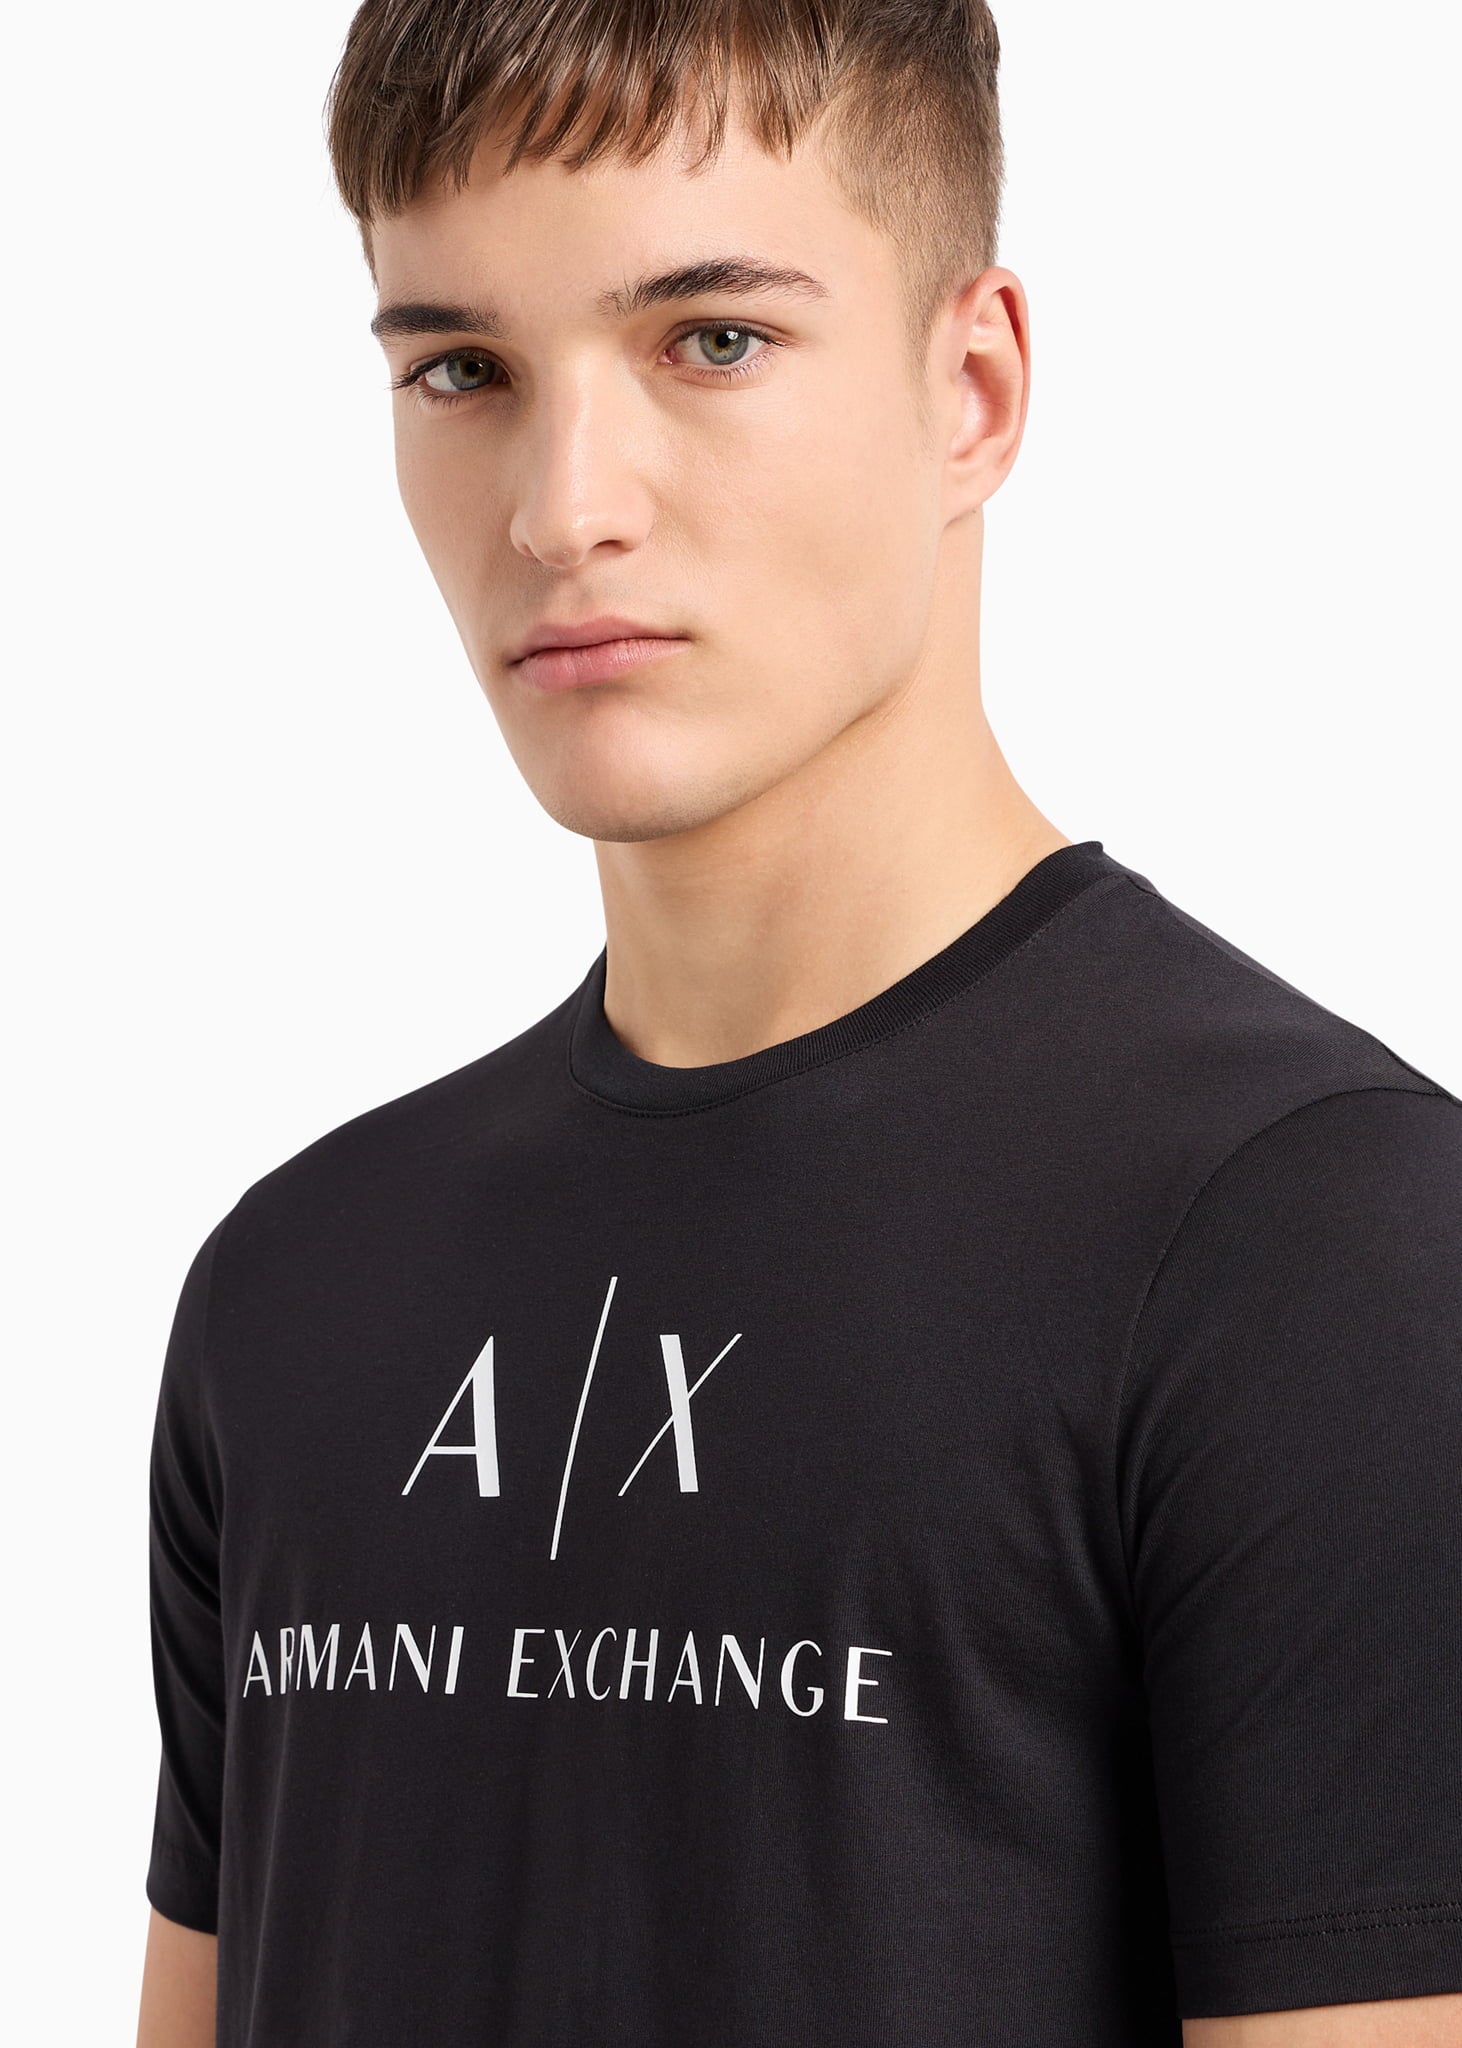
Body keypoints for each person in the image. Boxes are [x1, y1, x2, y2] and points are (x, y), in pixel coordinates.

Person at [135, 2, 1462, 2043]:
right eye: (463, 368)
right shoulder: (293, 1280)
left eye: (712, 339)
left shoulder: (1315, 1246)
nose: (562, 508)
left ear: (970, 389)